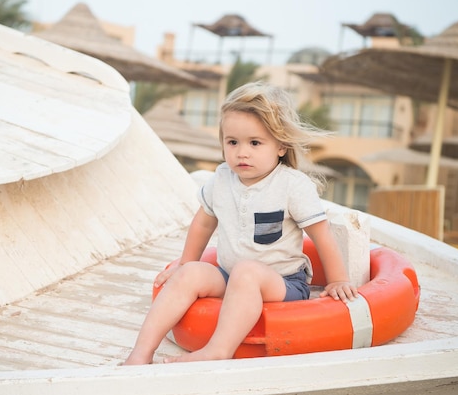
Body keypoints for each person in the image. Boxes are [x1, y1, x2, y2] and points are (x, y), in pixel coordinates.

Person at [123, 81, 358, 365]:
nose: (241, 152)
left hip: (283, 283)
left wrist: (337, 280)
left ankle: (217, 351)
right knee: (190, 274)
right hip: (229, 274)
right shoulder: (222, 178)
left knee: (247, 271)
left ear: (281, 145)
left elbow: (322, 235)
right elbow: (202, 225)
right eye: (232, 142)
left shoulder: (291, 185)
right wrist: (185, 263)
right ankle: (140, 353)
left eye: (255, 143)